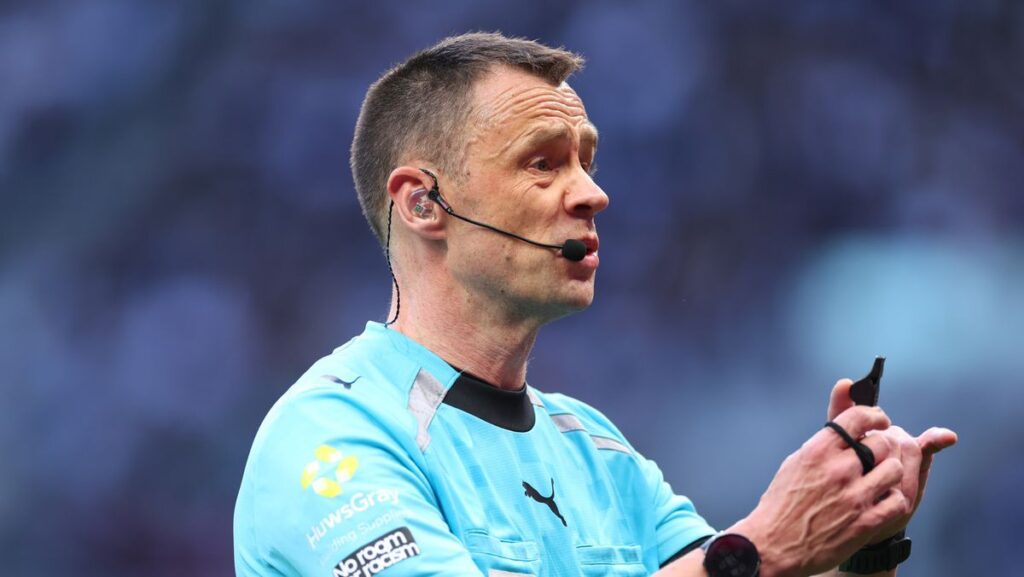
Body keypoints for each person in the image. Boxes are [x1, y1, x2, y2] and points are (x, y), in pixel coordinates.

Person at [233, 32, 957, 577]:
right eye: (543, 162)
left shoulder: (595, 446)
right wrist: (761, 547)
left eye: (587, 160)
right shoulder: (331, 437)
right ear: (424, 203)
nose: (591, 193)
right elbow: (739, 565)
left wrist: (848, 543)